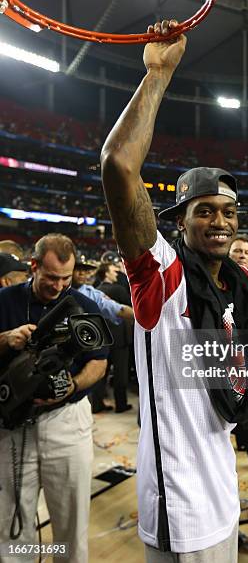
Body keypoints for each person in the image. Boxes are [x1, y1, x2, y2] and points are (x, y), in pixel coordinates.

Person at [100, 19, 248, 561]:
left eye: (229, 212)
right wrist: (159, 74)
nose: (221, 223)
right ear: (179, 220)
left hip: (221, 485)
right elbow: (117, 165)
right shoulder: (162, 272)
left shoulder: (240, 278)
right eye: (205, 212)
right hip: (178, 502)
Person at [0, 233, 108, 563]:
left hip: (66, 420)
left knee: (71, 524)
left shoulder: (84, 305)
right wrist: (6, 340)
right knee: (11, 523)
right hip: (13, 422)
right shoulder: (5, 301)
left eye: (65, 278)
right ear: (33, 266)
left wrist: (72, 385)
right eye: (50, 277)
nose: (59, 286)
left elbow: (99, 362)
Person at [72, 254, 133, 412]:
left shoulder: (92, 291)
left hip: (89, 346)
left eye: (86, 271)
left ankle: (96, 404)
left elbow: (117, 308)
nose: (83, 274)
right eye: (78, 270)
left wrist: (148, 318)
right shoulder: (55, 290)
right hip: (109, 341)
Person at [96, 262, 134, 413]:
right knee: (120, 374)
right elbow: (130, 307)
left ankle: (97, 404)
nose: (116, 274)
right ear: (106, 273)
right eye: (113, 271)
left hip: (103, 337)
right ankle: (121, 404)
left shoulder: (96, 290)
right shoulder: (118, 289)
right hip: (119, 337)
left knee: (101, 373)